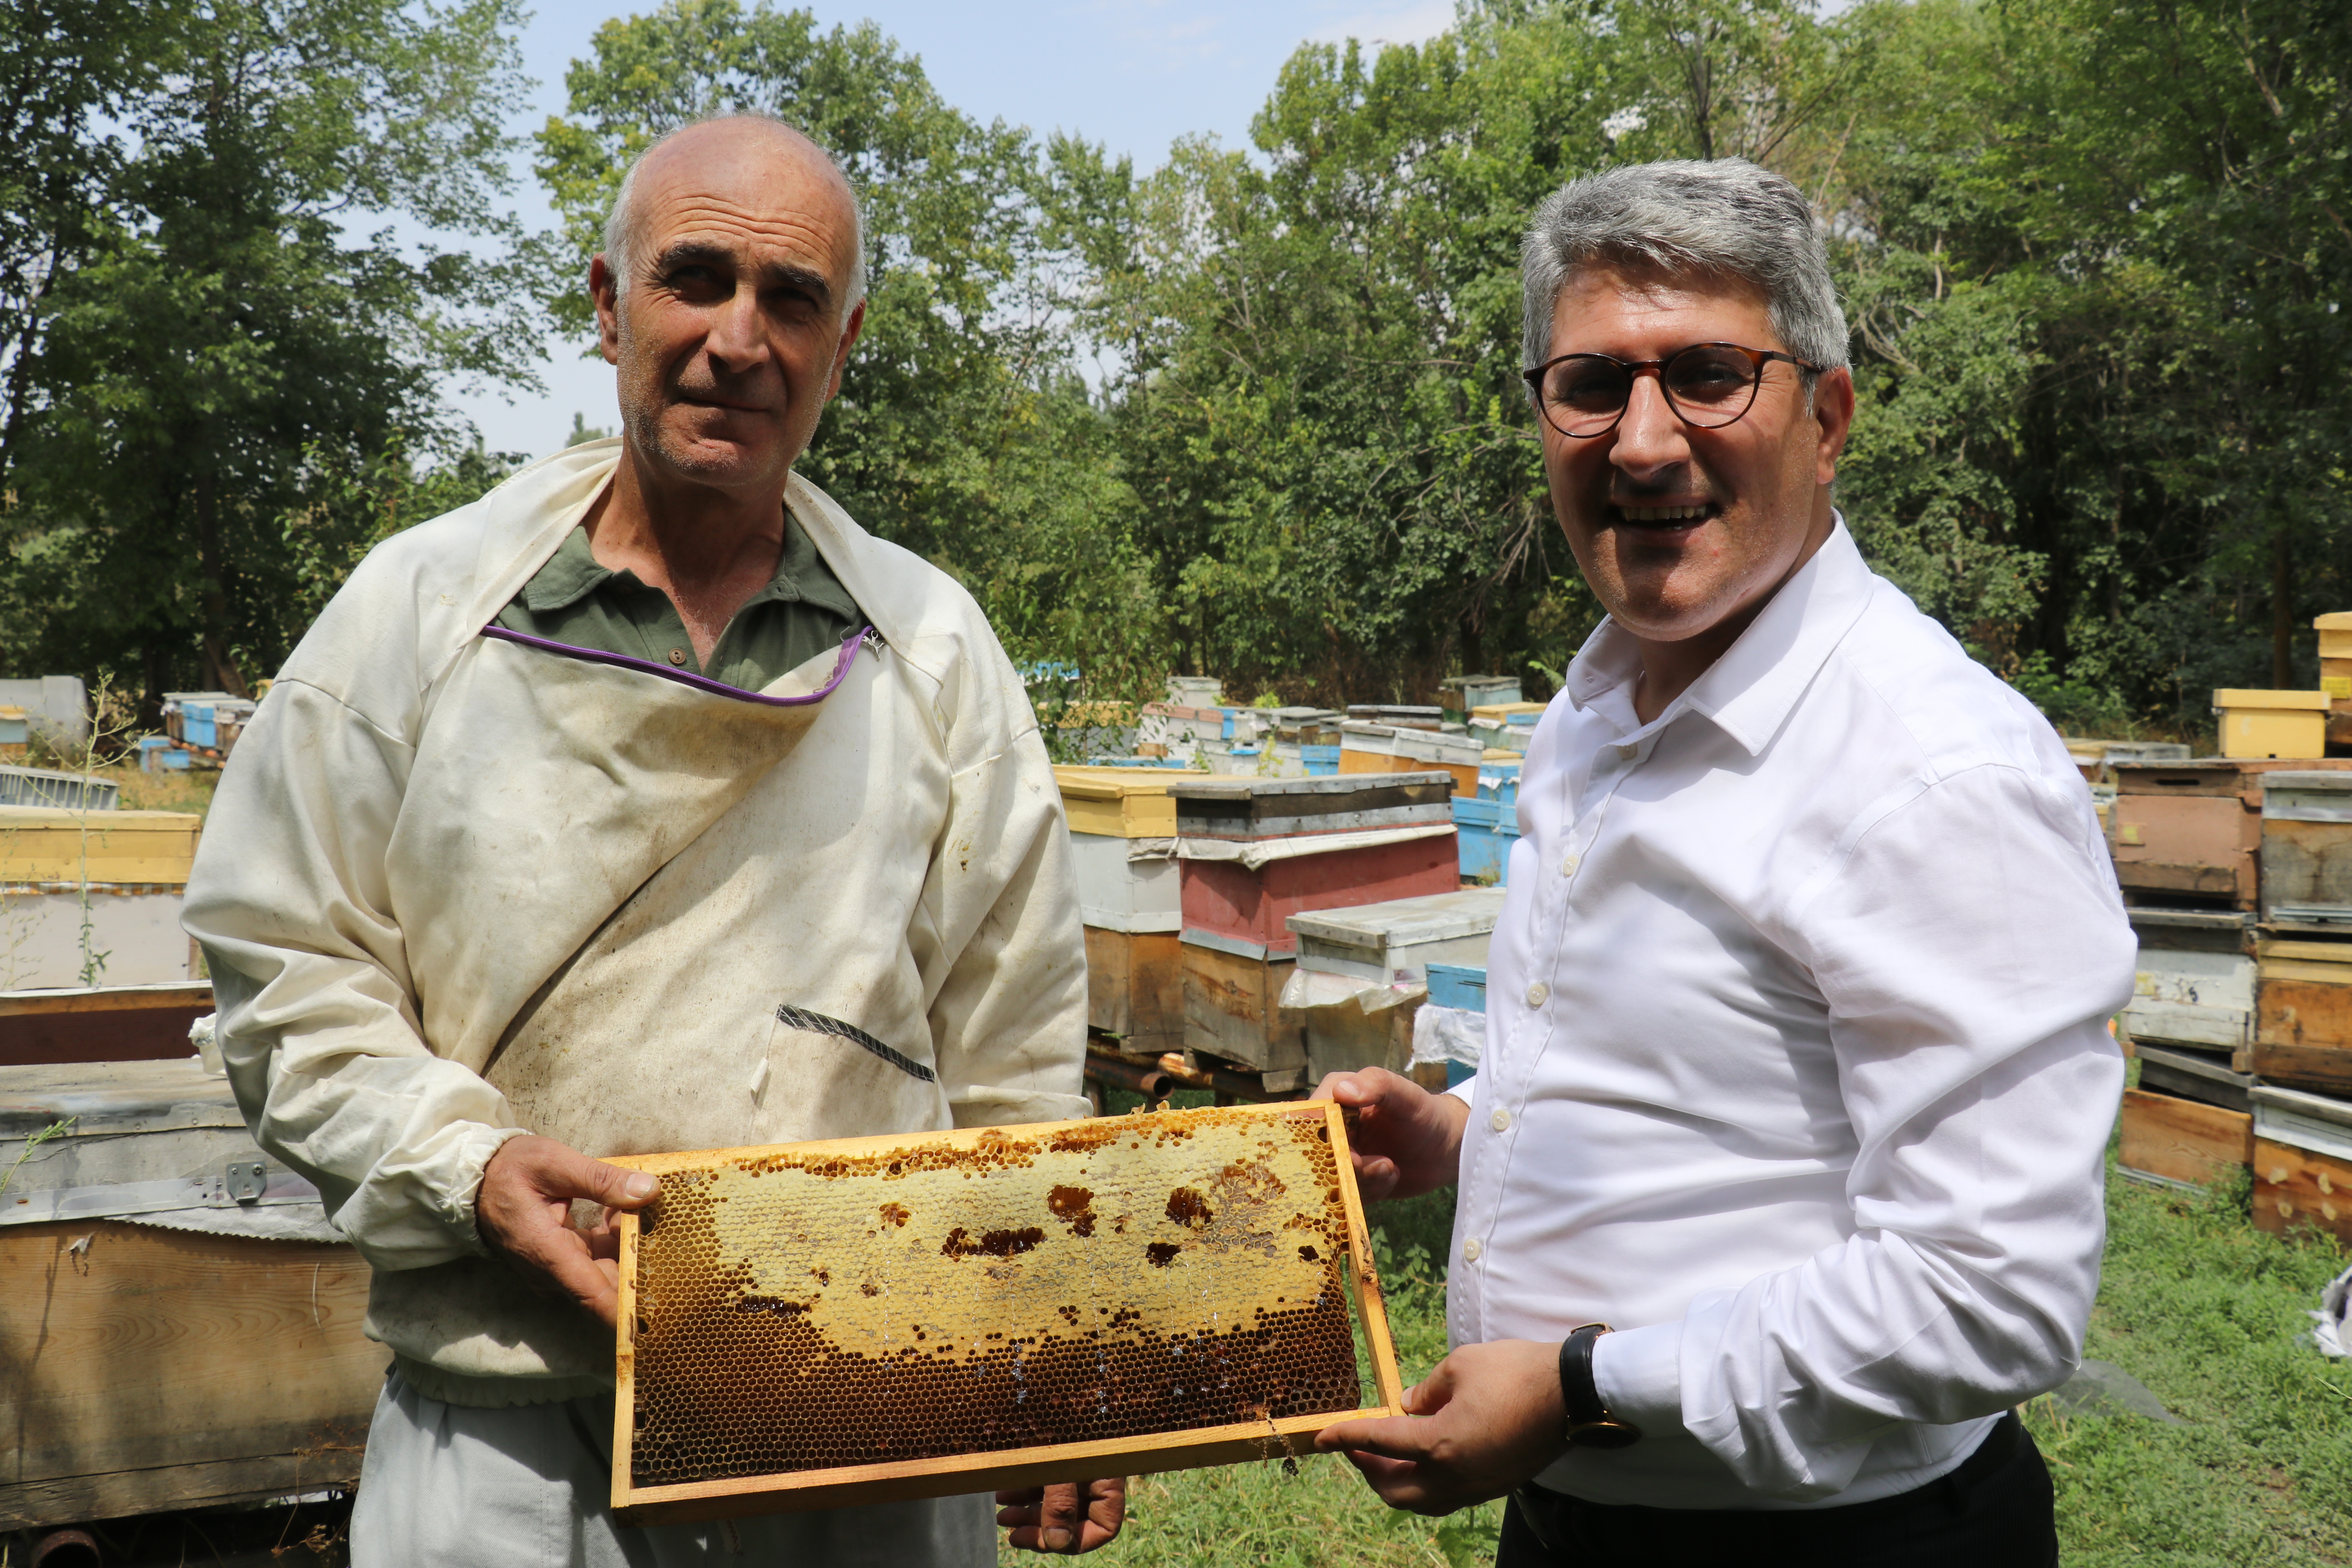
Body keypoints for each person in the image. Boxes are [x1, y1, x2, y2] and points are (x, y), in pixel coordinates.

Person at [184, 115, 1123, 1566]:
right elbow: (284, 968)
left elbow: (1016, 1058)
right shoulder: (417, 610)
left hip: (862, 1433)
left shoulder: (935, 649)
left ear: (844, 339)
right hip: (507, 1444)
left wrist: (1048, 1354)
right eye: (694, 279)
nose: (737, 340)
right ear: (609, 303)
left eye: (792, 299)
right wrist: (470, 1168)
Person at [1314, 158, 2131, 1565]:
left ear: (1828, 416)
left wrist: (1579, 1384)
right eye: (1589, 386)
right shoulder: (1595, 706)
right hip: (1571, 1519)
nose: (1640, 442)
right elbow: (1701, 1088)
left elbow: (1994, 1296)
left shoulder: (1937, 770)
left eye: (1706, 374)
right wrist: (1461, 1131)